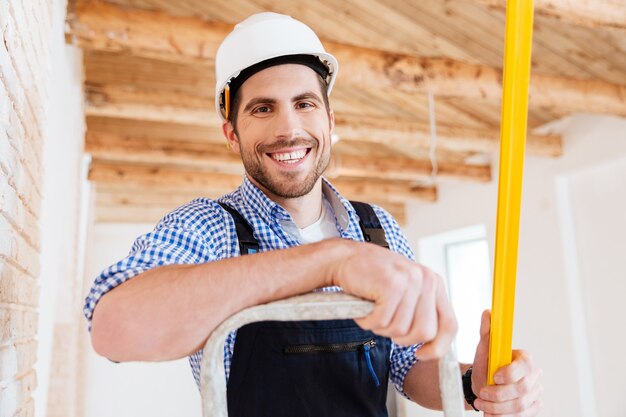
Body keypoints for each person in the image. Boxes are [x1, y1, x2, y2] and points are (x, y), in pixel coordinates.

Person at [84, 12, 542, 416]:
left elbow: (405, 368)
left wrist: (471, 385)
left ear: (329, 121)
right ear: (231, 132)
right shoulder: (208, 228)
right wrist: (331, 261)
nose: (289, 128)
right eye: (263, 109)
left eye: (305, 104)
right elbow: (114, 328)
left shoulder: (377, 230)